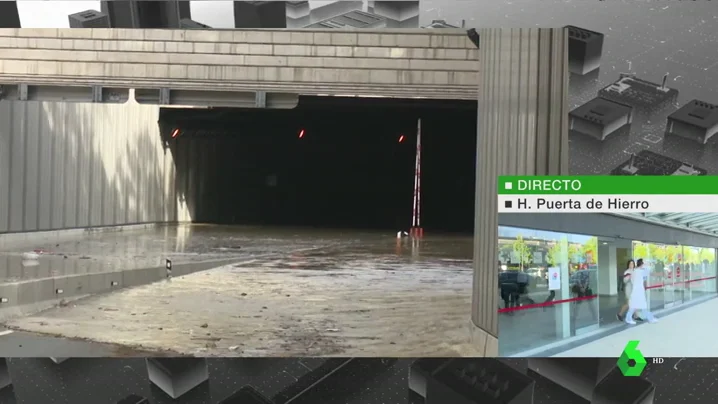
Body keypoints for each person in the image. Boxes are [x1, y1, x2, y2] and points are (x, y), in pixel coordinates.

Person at [625, 258, 658, 324]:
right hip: (638, 292)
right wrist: (648, 264)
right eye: (644, 263)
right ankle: (650, 319)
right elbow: (649, 270)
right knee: (639, 306)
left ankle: (650, 318)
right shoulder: (640, 271)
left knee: (636, 306)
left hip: (637, 291)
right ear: (642, 264)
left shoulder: (635, 271)